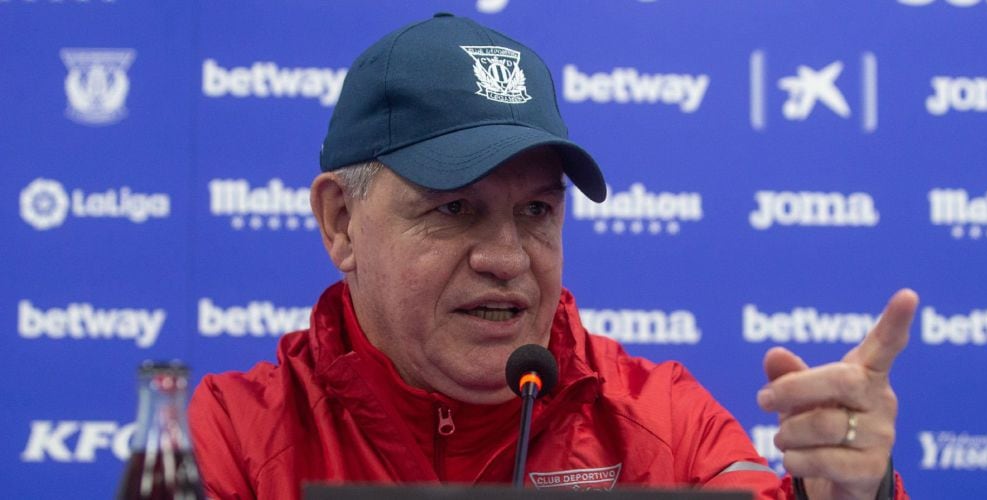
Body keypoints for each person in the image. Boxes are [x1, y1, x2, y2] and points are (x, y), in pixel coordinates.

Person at [189, 13, 917, 500]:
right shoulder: (237, 437)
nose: (507, 257)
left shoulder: (662, 422)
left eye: (536, 210)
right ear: (341, 222)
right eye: (454, 208)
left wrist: (856, 491)